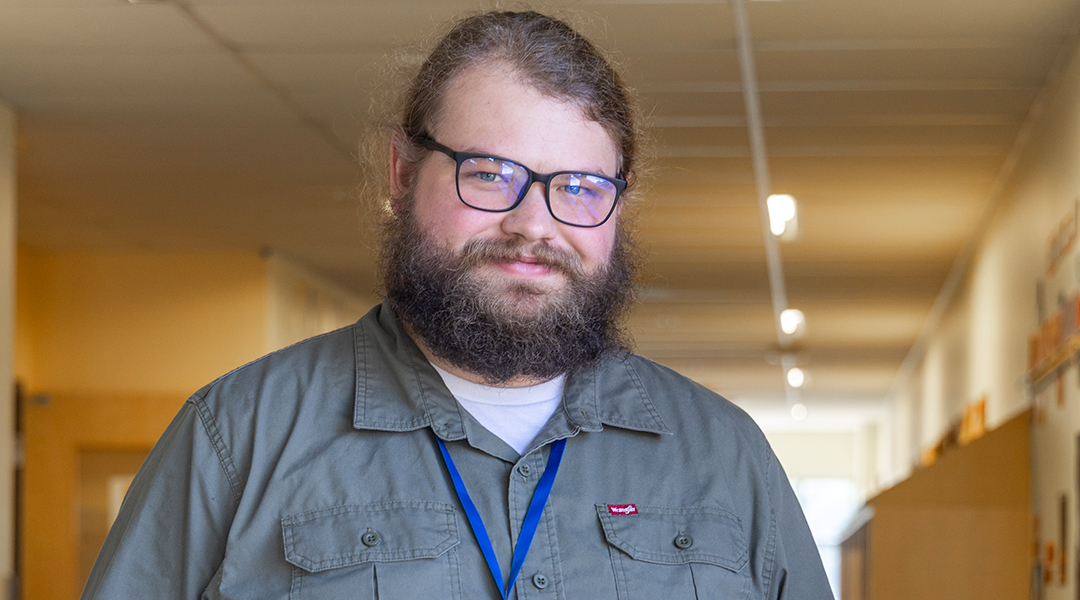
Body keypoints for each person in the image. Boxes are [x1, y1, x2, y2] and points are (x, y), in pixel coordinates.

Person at [82, 10, 833, 600]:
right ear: (402, 175)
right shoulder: (237, 439)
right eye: (490, 173)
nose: (534, 226)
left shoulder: (725, 458)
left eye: (579, 188)